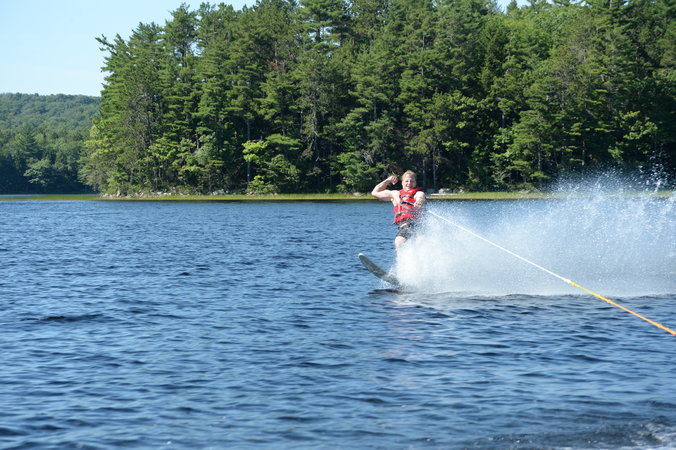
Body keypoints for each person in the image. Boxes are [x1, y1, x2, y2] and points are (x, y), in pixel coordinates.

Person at [371, 170, 426, 253]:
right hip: (405, 226)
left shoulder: (418, 193)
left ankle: (422, 260)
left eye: (412, 181)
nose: (409, 183)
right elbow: (375, 192)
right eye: (406, 181)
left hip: (419, 226)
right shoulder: (395, 194)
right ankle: (403, 261)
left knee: (419, 243)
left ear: (415, 183)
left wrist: (419, 202)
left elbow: (420, 197)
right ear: (402, 182)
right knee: (399, 242)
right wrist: (388, 180)